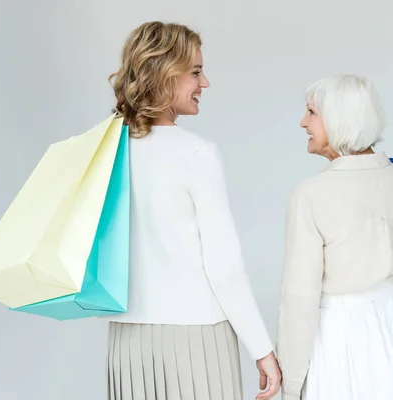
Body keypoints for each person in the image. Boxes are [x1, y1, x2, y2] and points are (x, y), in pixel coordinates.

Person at [103, 21, 281, 400]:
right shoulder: (196, 154)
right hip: (196, 334)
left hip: (127, 339)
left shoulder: (108, 150)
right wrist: (261, 348)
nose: (206, 83)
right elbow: (224, 266)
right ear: (163, 74)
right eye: (196, 72)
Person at [276, 74, 393, 400]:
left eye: (311, 112)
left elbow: (299, 298)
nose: (302, 122)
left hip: (338, 332)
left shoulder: (311, 195)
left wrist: (290, 383)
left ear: (338, 120)